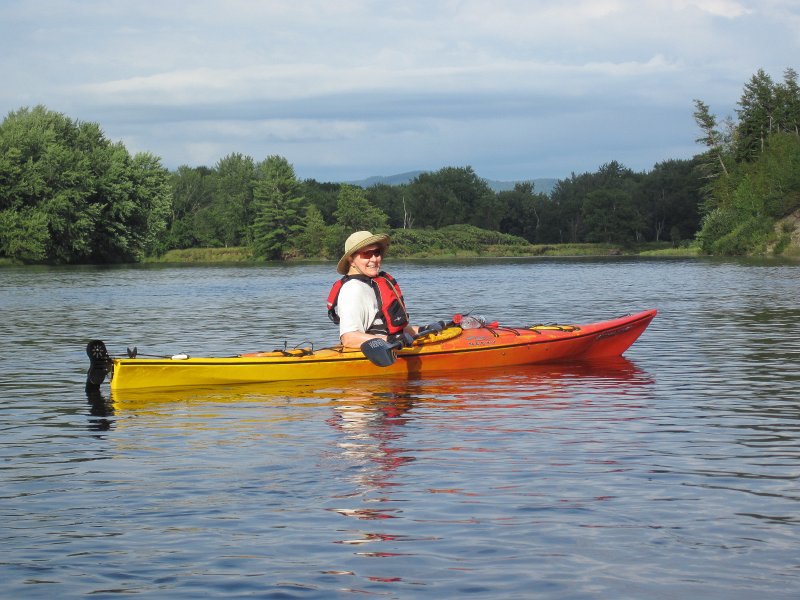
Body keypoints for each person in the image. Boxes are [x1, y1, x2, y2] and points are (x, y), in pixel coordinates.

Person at [327, 231, 439, 348]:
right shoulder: (352, 289)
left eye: (376, 252)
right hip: (371, 358)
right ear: (351, 259)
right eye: (367, 254)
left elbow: (386, 329)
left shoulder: (371, 284)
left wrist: (423, 329)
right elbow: (349, 338)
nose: (374, 259)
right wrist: (390, 340)